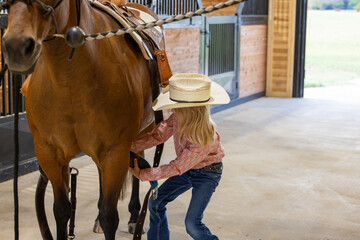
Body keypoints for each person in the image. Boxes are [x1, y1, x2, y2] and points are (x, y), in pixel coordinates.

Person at [129, 73, 230, 240]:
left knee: (192, 224)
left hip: (207, 174)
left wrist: (143, 174)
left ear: (192, 110)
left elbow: (176, 167)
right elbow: (157, 136)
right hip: (187, 170)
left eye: (176, 107)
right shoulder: (178, 118)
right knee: (156, 203)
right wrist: (128, 147)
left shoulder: (205, 138)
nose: (172, 109)